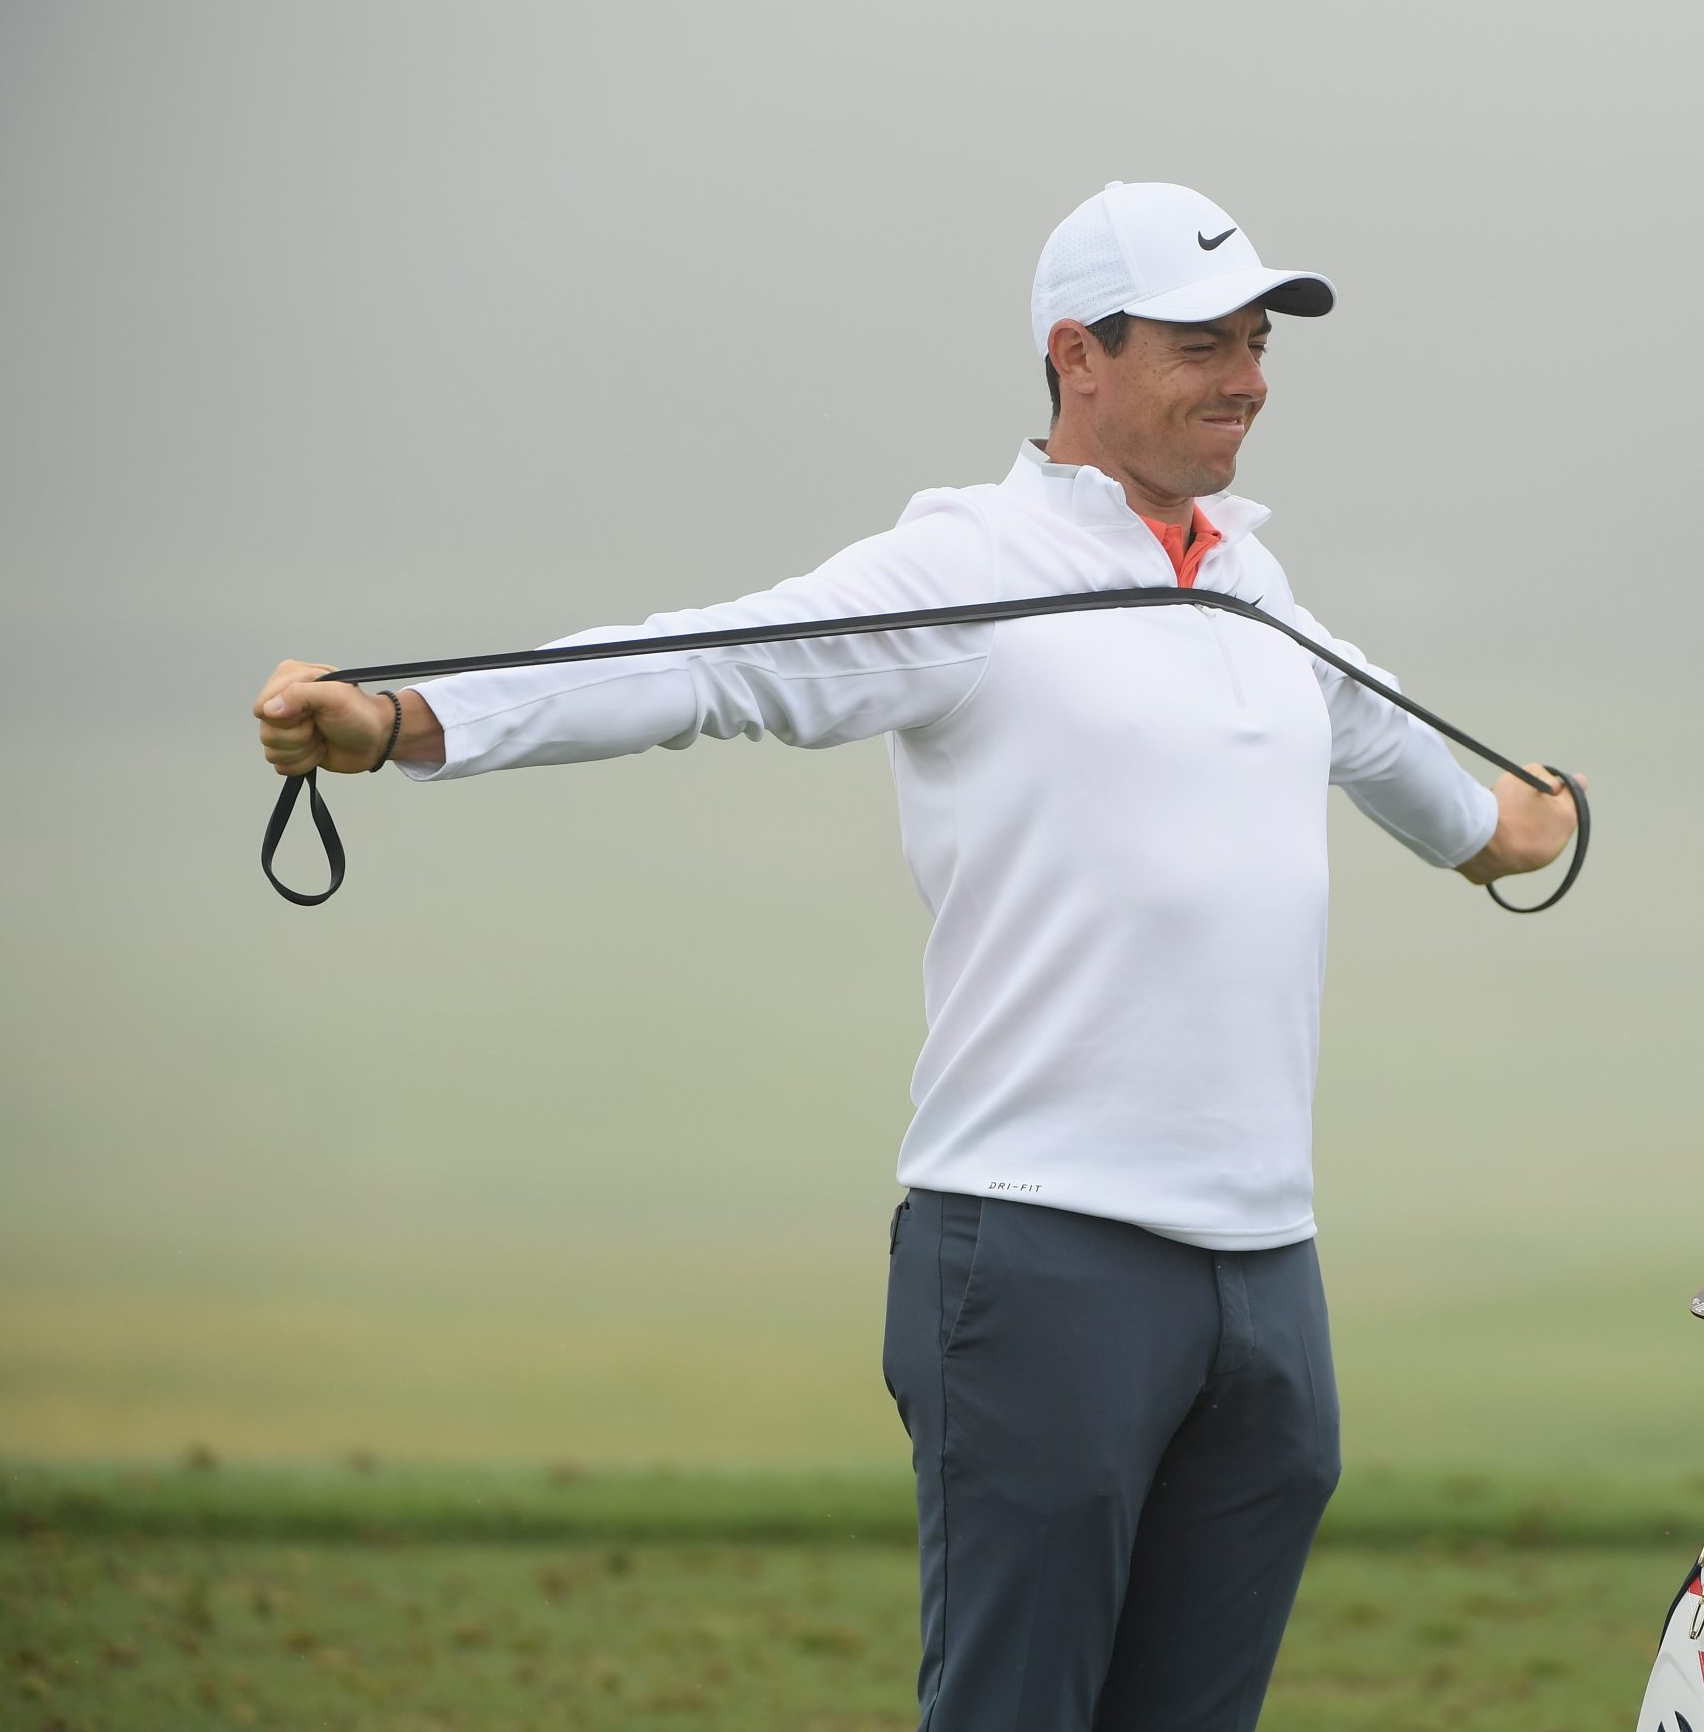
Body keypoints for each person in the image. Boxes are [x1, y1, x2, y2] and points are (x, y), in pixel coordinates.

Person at [250, 179, 1581, 1730]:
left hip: (1268, 1274)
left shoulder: (1250, 583)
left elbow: (1463, 814)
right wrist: (408, 721)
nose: (1249, 378)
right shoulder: (969, 560)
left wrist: (1534, 818)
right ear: (1078, 355)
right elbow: (705, 665)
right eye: (1205, 343)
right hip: (1038, 1253)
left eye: (1258, 343)